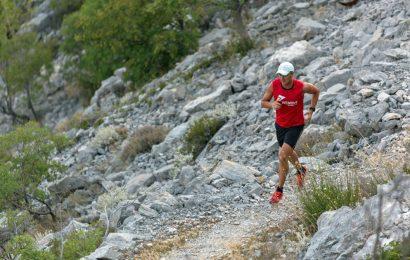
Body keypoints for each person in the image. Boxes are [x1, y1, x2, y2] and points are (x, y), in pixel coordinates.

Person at [261, 61, 320, 204]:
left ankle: (279, 190)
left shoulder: (301, 86)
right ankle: (301, 170)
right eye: (280, 75)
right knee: (288, 151)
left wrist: (310, 111)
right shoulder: (274, 84)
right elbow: (263, 102)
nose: (282, 79)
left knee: (282, 155)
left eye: (285, 76)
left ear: (292, 75)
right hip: (280, 125)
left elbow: (316, 91)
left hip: (296, 125)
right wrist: (272, 105)